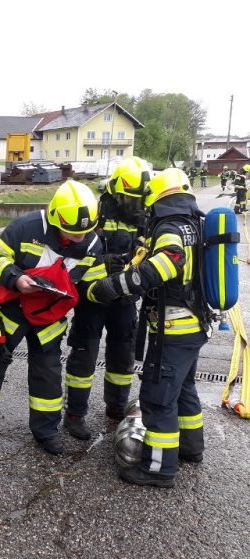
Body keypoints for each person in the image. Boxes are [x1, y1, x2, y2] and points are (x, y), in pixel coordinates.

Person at [0, 180, 103, 454]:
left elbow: (91, 284)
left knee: (47, 373)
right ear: (56, 218)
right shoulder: (26, 227)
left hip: (48, 316)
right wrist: (16, 278)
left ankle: (46, 431)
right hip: (9, 310)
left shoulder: (92, 243)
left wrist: (112, 287)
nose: (80, 238)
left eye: (85, 232)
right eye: (73, 232)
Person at [90, 168, 207, 488]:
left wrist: (115, 285)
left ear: (157, 198)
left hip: (173, 328)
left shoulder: (169, 227)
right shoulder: (192, 224)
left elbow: (169, 262)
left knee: (158, 399)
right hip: (192, 326)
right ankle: (191, 447)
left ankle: (158, 469)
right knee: (184, 390)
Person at [63, 157, 150, 440]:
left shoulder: (144, 218)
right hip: (92, 297)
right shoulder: (94, 213)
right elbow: (75, 255)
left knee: (122, 355)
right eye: (129, 198)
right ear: (114, 190)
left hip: (125, 298)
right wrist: (105, 264)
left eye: (138, 199)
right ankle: (75, 414)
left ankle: (116, 405)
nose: (133, 205)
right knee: (84, 355)